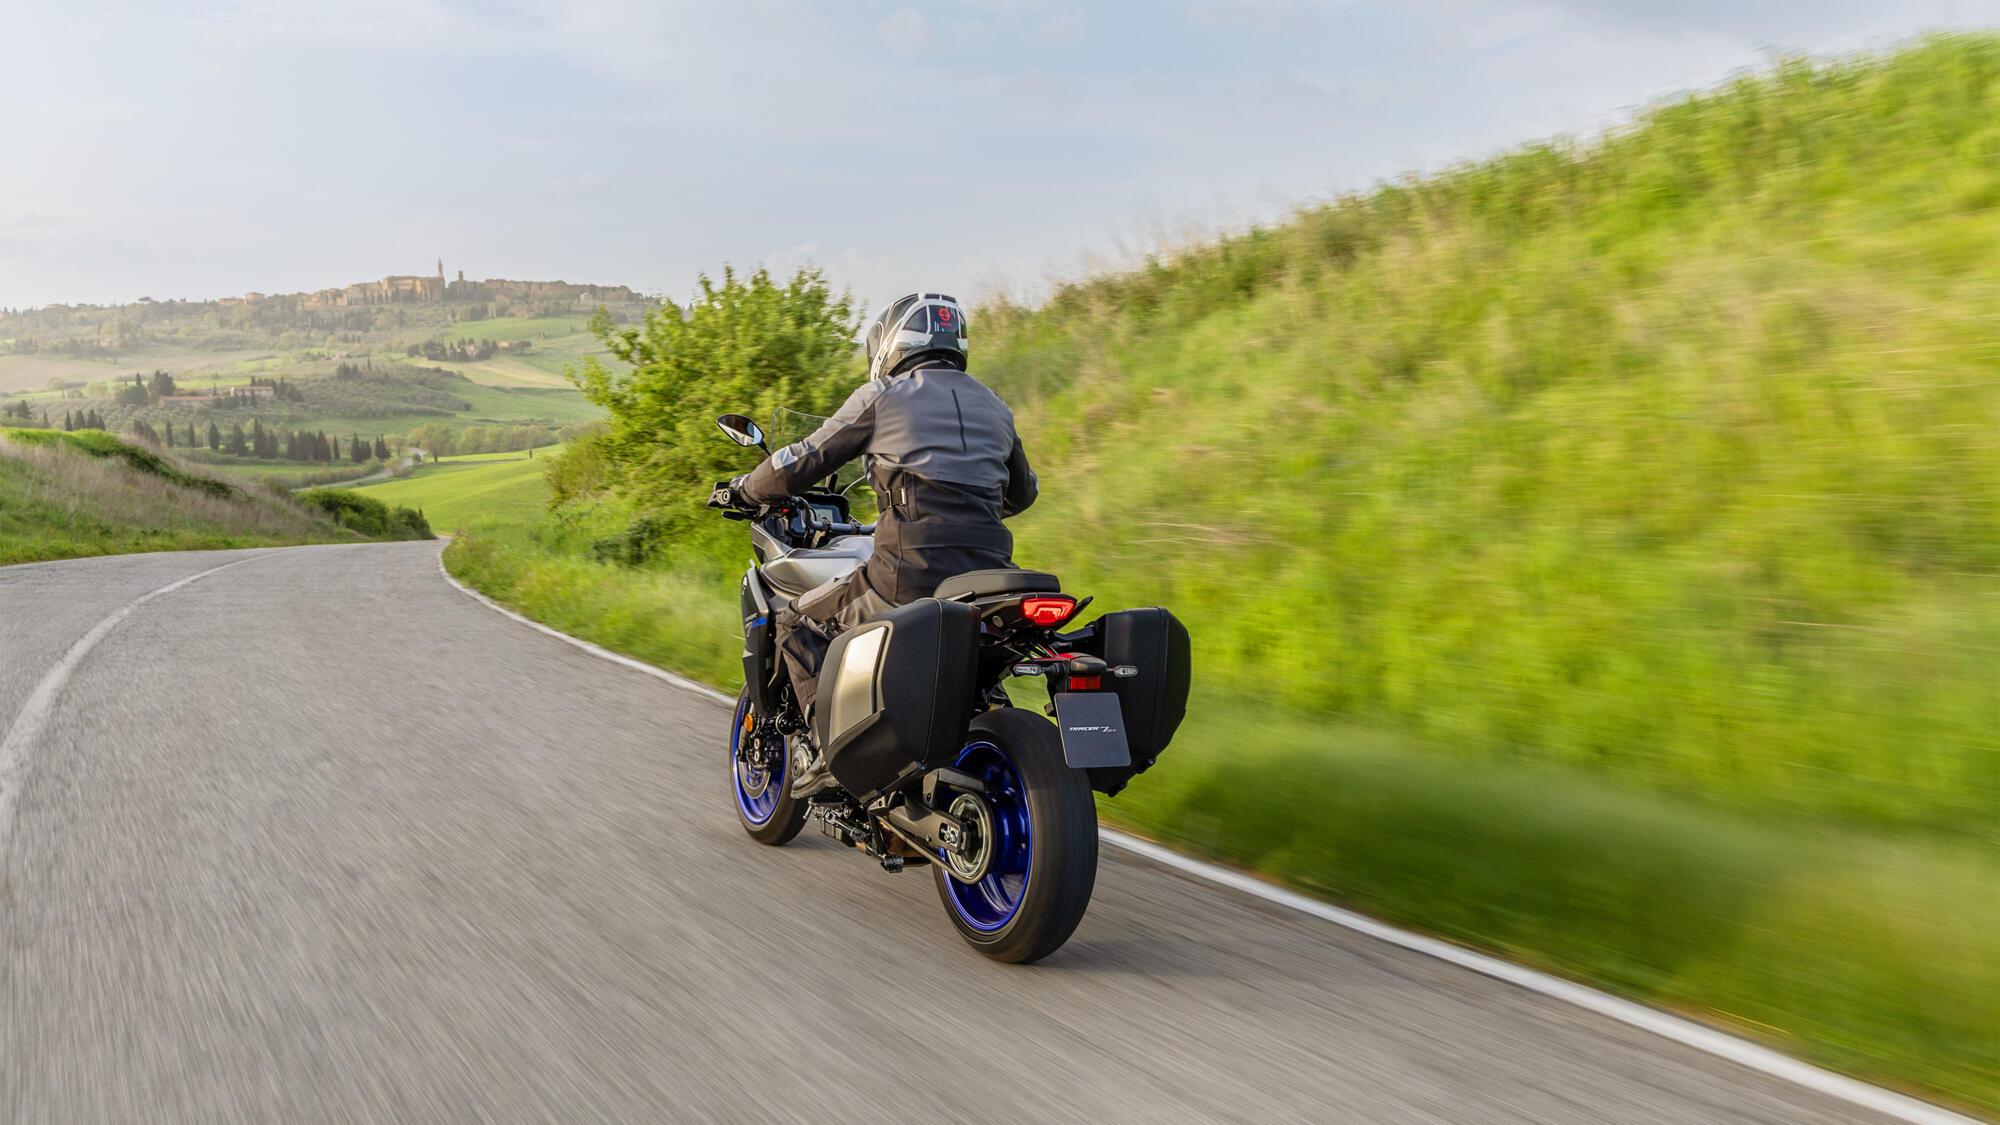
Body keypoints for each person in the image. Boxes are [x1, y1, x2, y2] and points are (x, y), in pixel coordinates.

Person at [725, 292, 1037, 796]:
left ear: (893, 344)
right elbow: (1023, 494)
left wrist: (744, 489)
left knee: (793, 622)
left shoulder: (884, 395)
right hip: (990, 576)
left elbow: (802, 460)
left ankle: (829, 753)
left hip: (907, 574)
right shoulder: (995, 406)